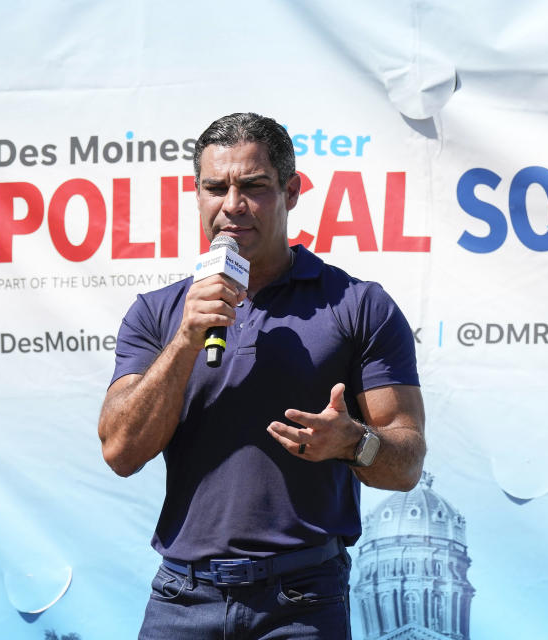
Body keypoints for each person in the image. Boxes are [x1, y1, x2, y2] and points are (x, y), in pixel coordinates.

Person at [97, 112, 426, 639]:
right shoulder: (159, 314)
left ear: (291, 192)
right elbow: (120, 452)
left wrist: (352, 442)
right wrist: (187, 337)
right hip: (182, 599)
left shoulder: (360, 306)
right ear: (198, 194)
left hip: (302, 602)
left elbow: (406, 462)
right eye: (215, 188)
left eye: (253, 186)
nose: (232, 205)